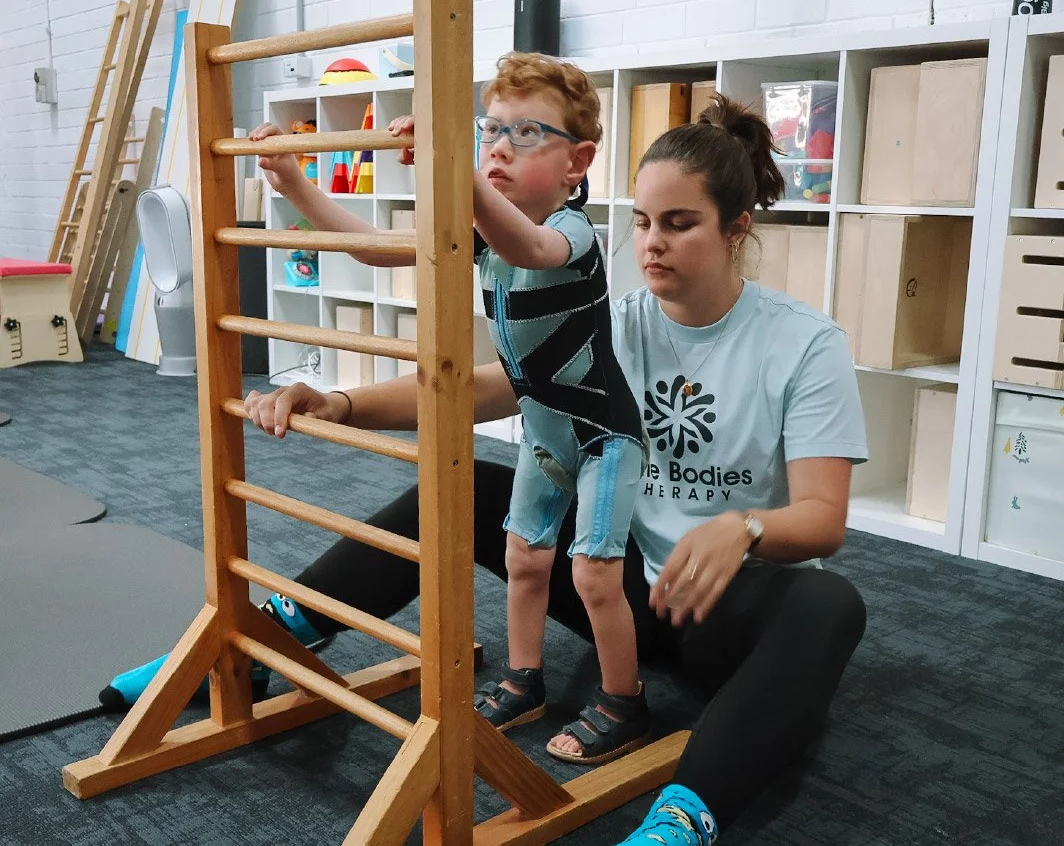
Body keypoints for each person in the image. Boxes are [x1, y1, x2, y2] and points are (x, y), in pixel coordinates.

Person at [105, 90, 868, 841]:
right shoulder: (620, 320)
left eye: (679, 224)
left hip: (721, 608)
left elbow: (822, 520)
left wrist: (744, 526)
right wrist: (338, 401)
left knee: (829, 608)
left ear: (737, 230)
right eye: (641, 222)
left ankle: (684, 817)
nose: (651, 244)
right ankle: (269, 641)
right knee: (466, 487)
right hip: (619, 579)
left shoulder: (804, 343)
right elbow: (481, 389)